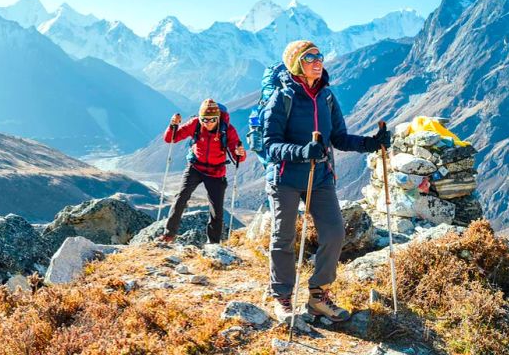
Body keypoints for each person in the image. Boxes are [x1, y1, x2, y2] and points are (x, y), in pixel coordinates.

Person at [262, 40, 391, 322]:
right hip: (285, 177)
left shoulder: (327, 97)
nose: (318, 61)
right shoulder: (282, 98)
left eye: (319, 56)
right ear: (297, 64)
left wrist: (371, 143)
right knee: (283, 237)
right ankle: (282, 297)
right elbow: (270, 145)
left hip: (319, 176)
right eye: (310, 57)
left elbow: (340, 138)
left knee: (334, 234)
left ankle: (318, 296)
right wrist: (301, 151)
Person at [160, 98, 247, 244]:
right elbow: (171, 138)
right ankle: (168, 235)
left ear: (218, 117)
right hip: (195, 167)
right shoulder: (195, 124)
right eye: (204, 119)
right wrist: (172, 125)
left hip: (216, 172)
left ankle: (213, 243)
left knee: (216, 210)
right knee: (181, 198)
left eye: (212, 119)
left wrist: (240, 153)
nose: (208, 123)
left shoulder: (227, 129)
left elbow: (238, 156)